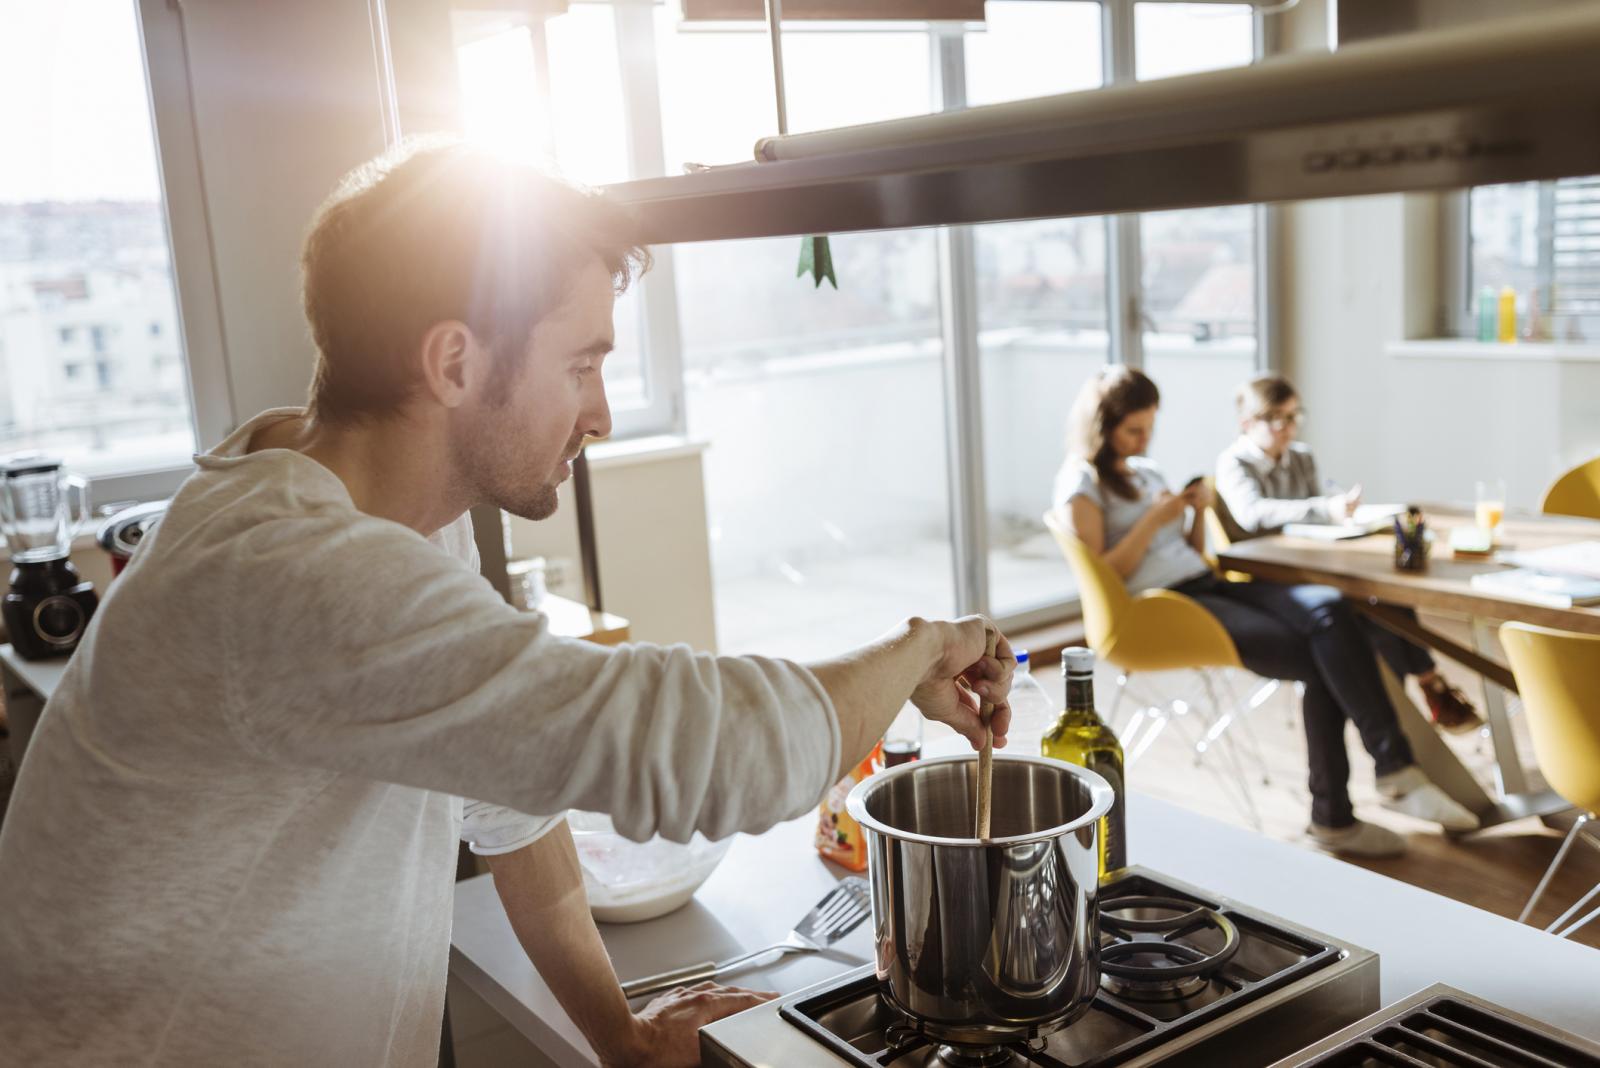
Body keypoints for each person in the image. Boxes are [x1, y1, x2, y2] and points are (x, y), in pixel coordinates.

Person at [0, 142, 1015, 1068]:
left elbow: (511, 807)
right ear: (453, 364)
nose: (603, 414)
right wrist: (921, 650)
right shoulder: (295, 572)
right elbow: (711, 755)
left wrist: (621, 1041)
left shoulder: (362, 507)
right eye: (579, 365)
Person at [1053, 366, 1477, 860]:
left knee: (1334, 610)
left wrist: (1191, 516)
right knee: (1328, 649)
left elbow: (1186, 552)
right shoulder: (1079, 480)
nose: (1145, 439)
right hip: (1159, 610)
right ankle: (1366, 792)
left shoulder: (1142, 470)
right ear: (1101, 426)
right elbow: (1105, 572)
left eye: (1150, 427)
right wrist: (1154, 518)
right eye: (1133, 430)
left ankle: (1365, 795)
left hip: (1203, 583)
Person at [1215, 375, 1483, 735]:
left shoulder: (1301, 457)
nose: (1289, 428)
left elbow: (1320, 512)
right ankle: (1425, 690)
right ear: (1248, 423)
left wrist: (1341, 512)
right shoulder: (1234, 463)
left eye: (1295, 417)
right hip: (1268, 578)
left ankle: (1413, 705)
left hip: (1313, 562)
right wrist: (1325, 508)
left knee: (1385, 605)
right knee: (1376, 616)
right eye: (1279, 419)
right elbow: (1254, 514)